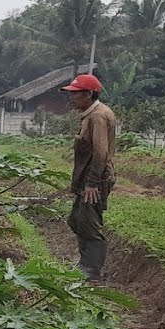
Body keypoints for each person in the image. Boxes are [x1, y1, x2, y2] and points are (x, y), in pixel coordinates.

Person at [61, 73, 117, 281]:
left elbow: (100, 152)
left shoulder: (97, 116)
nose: (71, 98)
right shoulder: (92, 114)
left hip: (94, 179)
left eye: (76, 94)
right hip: (88, 178)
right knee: (76, 220)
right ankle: (85, 264)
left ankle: (91, 271)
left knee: (89, 224)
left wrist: (92, 183)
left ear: (89, 94)